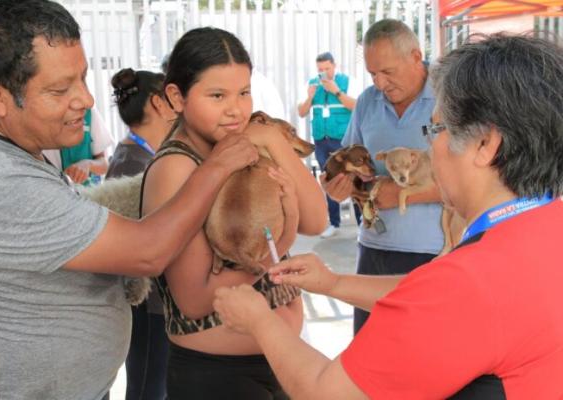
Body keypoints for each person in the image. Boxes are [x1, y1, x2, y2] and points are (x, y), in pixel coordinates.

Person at [214, 33, 563, 399]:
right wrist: (332, 284)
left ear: (485, 145)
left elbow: (326, 392)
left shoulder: (471, 279)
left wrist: (259, 320)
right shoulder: (542, 226)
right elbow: (431, 297)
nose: (430, 144)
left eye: (437, 129)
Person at [0, 1, 258, 399]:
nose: (86, 99)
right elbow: (148, 252)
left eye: (82, 79)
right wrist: (217, 168)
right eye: (60, 88)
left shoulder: (6, 148)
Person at [142, 27, 326, 399]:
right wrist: (281, 241)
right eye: (217, 95)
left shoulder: (243, 144)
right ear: (177, 97)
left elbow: (317, 219)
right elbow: (194, 299)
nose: (235, 109)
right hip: (219, 377)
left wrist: (272, 138)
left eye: (244, 92)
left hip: (275, 362)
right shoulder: (179, 167)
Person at [322, 20, 444, 332]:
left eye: (387, 72)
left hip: (435, 254)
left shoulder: (451, 98)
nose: (379, 83)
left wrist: (405, 194)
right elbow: (345, 161)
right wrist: (335, 187)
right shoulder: (366, 102)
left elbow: (482, 181)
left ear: (416, 57)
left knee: (426, 360)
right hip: (373, 251)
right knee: (368, 352)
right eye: (372, 74)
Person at [106, 68, 176, 399]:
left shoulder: (145, 153)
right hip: (148, 302)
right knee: (148, 387)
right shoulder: (133, 161)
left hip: (160, 300)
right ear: (157, 103)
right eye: (172, 95)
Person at [298, 51, 358, 238]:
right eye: (320, 70)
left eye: (327, 68)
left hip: (342, 140)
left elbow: (356, 106)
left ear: (335, 66)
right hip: (321, 140)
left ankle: (362, 224)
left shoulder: (348, 82)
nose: (323, 73)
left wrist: (336, 91)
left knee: (352, 179)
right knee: (329, 179)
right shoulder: (312, 85)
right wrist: (309, 97)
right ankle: (334, 222)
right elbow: (301, 112)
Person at [43, 106, 114, 185]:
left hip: (86, 193)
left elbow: (104, 164)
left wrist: (88, 164)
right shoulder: (37, 119)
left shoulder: (89, 112)